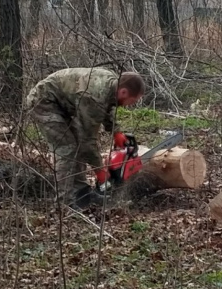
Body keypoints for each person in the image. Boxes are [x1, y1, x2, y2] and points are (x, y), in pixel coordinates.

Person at [25, 68, 145, 209]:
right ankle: (64, 204)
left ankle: (82, 192)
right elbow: (87, 140)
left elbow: (107, 106)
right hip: (44, 102)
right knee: (67, 148)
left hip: (64, 105)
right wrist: (100, 170)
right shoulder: (94, 97)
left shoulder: (111, 83)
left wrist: (115, 131)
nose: (129, 105)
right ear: (124, 92)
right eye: (132, 101)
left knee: (75, 144)